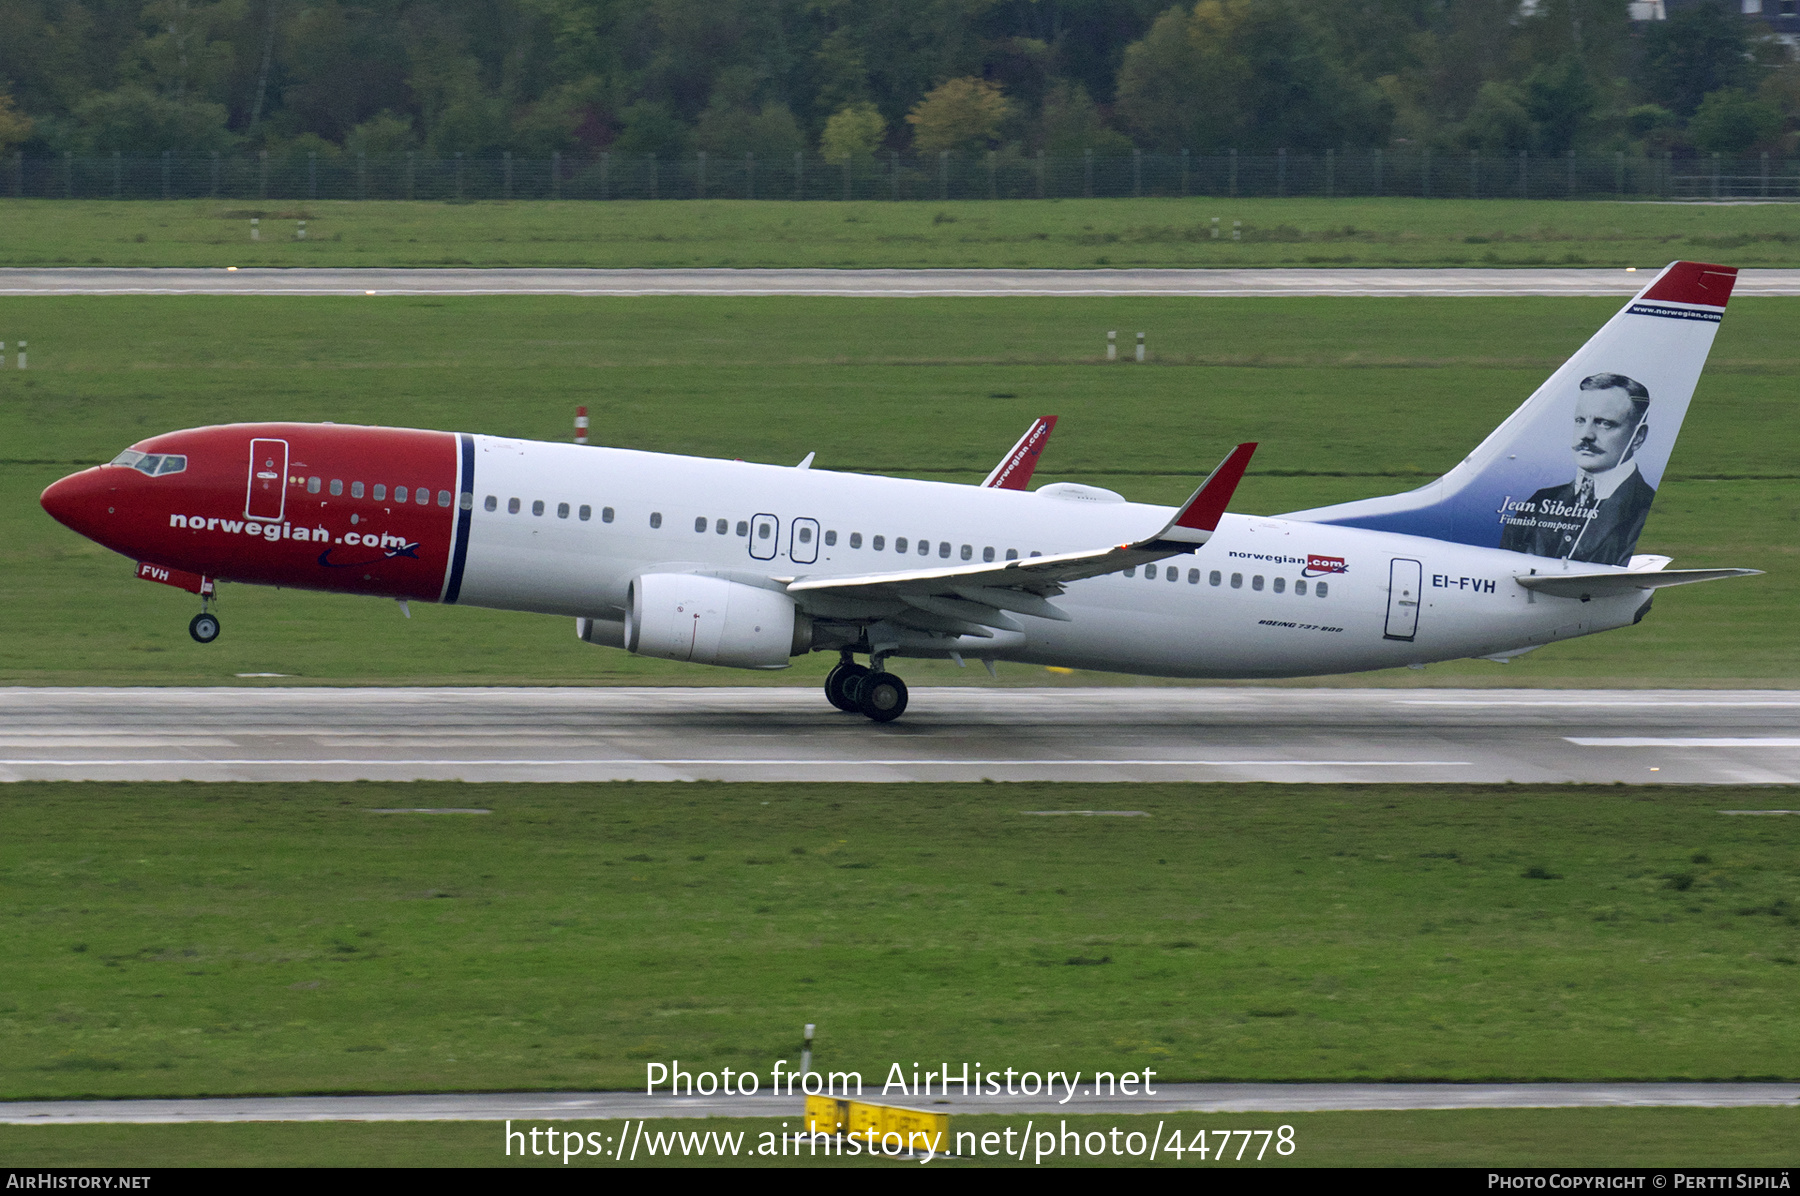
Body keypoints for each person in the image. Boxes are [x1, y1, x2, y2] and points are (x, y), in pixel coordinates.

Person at [1498, 373, 1656, 567]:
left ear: (1638, 436)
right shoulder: (1539, 502)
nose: (1585, 435)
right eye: (1580, 420)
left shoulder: (1645, 510)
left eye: (1604, 423)